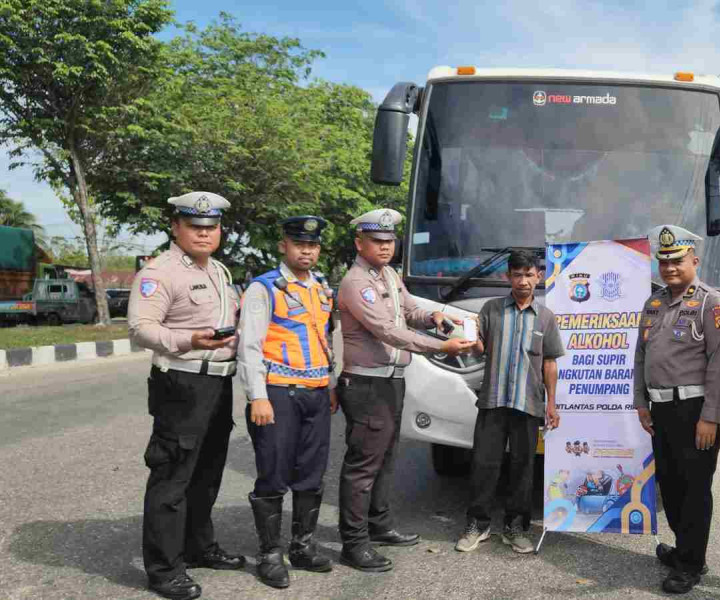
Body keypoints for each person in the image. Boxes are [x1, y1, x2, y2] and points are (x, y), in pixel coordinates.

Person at [336, 208, 474, 572]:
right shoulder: (357, 283)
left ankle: (378, 525)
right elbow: (388, 331)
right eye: (377, 241)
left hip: (391, 380)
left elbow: (409, 311)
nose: (385, 247)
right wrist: (440, 347)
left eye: (389, 240)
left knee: (385, 459)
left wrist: (435, 319)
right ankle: (353, 543)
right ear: (359, 243)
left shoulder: (389, 275)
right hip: (366, 382)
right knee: (363, 465)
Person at [128, 192, 245, 600]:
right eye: (195, 227)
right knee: (172, 476)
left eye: (211, 228)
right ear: (176, 227)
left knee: (207, 473)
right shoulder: (159, 271)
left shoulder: (220, 271)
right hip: (181, 382)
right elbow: (141, 328)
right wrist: (188, 339)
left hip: (218, 381)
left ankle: (198, 546)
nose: (204, 234)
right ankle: (163, 569)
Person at [633, 224, 720, 594]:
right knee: (671, 485)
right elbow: (641, 355)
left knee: (694, 489)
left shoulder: (714, 305)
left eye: (677, 260)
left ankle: (691, 564)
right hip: (661, 411)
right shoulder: (654, 303)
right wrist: (641, 402)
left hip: (695, 412)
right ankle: (685, 549)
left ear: (695, 259)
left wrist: (710, 416)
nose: (670, 268)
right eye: (663, 262)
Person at [237, 215, 336, 589]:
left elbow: (324, 338)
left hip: (315, 392)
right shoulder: (265, 288)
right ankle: (269, 554)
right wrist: (257, 396)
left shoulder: (322, 287)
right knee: (273, 472)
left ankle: (303, 546)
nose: (306, 250)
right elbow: (249, 346)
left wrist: (331, 383)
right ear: (284, 246)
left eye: (312, 245)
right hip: (278, 393)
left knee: (311, 471)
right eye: (299, 244)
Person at [454, 250, 565, 554]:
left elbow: (550, 364)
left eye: (529, 275)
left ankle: (516, 526)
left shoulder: (546, 317)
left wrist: (551, 404)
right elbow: (479, 350)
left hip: (528, 404)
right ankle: (478, 524)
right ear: (508, 277)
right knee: (483, 465)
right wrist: (470, 336)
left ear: (538, 277)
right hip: (492, 401)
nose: (523, 281)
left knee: (523, 467)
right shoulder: (491, 309)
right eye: (517, 275)